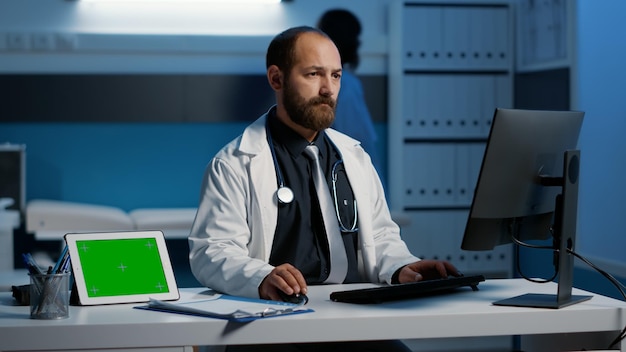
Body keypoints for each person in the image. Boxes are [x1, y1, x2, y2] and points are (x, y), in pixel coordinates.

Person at [188, 26, 459, 352]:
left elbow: (382, 237)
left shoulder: (354, 158)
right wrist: (260, 277)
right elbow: (211, 252)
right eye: (314, 74)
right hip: (273, 323)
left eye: (336, 75)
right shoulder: (235, 163)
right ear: (277, 79)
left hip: (350, 318)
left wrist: (402, 267)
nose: (328, 88)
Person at [317, 9, 383, 181]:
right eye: (356, 37)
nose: (359, 43)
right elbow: (358, 143)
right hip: (353, 181)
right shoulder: (345, 85)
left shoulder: (319, 81)